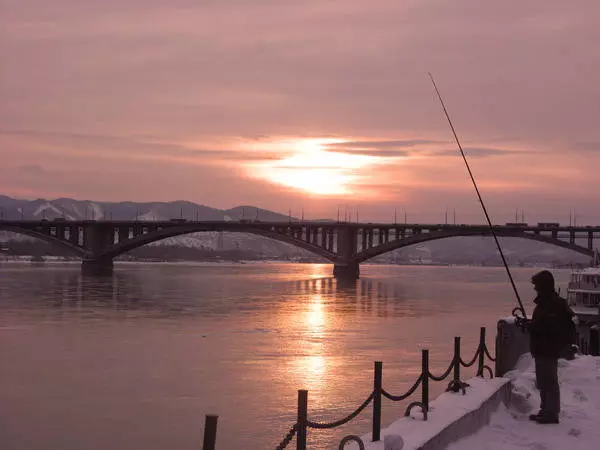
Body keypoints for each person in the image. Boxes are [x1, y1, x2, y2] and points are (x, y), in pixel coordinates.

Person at [527, 270, 574, 424]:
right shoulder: (546, 303)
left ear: (544, 285)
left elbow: (551, 326)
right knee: (542, 380)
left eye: (537, 285)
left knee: (549, 380)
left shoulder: (553, 304)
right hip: (542, 348)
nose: (535, 288)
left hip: (548, 348)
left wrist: (534, 327)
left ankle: (551, 412)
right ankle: (545, 409)